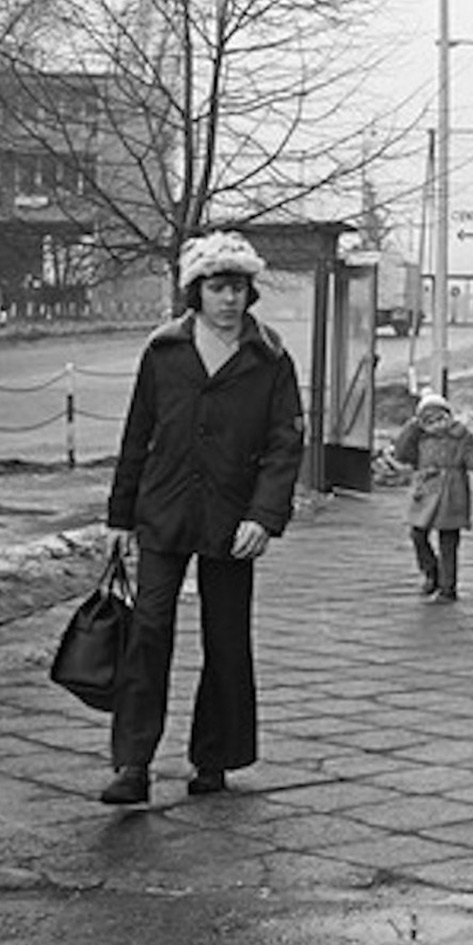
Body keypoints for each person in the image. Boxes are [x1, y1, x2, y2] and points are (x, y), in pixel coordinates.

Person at [100, 231, 305, 805]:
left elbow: (285, 445)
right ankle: (132, 764)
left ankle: (214, 757)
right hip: (163, 511)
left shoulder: (269, 358)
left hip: (231, 519)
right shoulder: (164, 352)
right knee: (149, 632)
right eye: (218, 287)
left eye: (238, 287)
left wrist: (263, 516)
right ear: (196, 292)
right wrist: (120, 515)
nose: (229, 299)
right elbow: (137, 434)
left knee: (226, 637)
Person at [391, 390, 473, 603]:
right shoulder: (419, 437)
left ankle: (447, 587)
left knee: (448, 541)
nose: (436, 422)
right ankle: (431, 571)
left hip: (452, 493)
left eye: (440, 416)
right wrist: (412, 427)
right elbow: (402, 453)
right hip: (425, 491)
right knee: (417, 534)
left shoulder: (460, 436)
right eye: (428, 418)